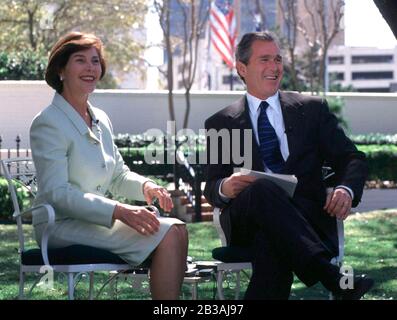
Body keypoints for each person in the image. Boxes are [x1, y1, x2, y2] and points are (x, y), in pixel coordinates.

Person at [204, 31, 374, 300]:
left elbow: (352, 158)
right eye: (264, 59)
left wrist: (345, 189)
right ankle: (331, 277)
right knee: (261, 190)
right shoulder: (221, 123)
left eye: (278, 59)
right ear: (241, 67)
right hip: (246, 220)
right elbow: (211, 187)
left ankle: (331, 277)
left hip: (304, 217)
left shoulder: (312, 110)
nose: (275, 67)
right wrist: (227, 185)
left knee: (271, 242)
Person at [30, 32, 188, 300]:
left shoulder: (100, 118)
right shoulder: (48, 122)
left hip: (93, 221)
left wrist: (147, 186)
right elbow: (58, 193)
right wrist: (119, 210)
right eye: (80, 60)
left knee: (178, 229)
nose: (91, 68)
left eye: (95, 61)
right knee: (171, 233)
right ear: (60, 69)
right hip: (59, 226)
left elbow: (118, 174)